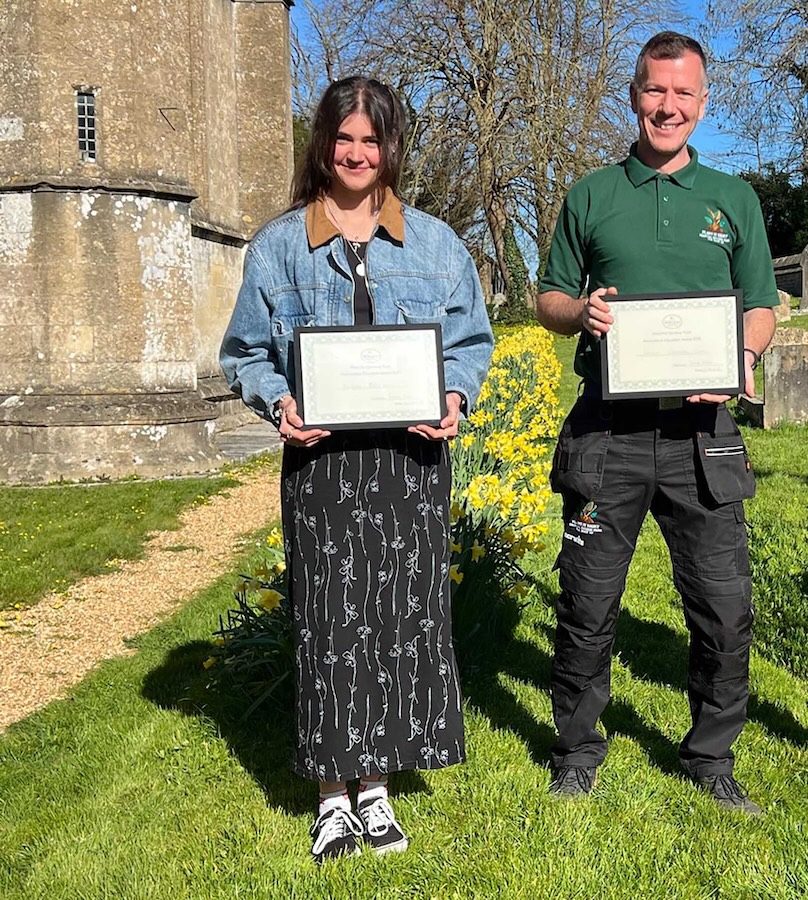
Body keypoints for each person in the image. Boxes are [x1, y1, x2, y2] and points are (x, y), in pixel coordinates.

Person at [220, 76, 493, 863]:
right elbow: (245, 352)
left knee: (401, 620)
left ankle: (377, 786)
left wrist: (453, 396)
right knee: (330, 622)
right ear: (323, 144)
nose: (356, 153)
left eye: (371, 140)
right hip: (324, 464)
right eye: (344, 138)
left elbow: (471, 342)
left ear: (390, 148)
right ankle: (331, 797)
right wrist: (280, 404)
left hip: (410, 460)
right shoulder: (279, 246)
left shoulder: (437, 245)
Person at [535, 31, 778, 814]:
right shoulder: (591, 195)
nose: (667, 107)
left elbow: (763, 309)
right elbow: (548, 300)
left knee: (722, 607)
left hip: (702, 437)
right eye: (654, 91)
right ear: (633, 95)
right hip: (606, 432)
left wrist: (740, 353)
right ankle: (576, 749)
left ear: (702, 104)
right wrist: (582, 311)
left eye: (683, 94)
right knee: (586, 601)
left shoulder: (733, 201)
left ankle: (710, 756)